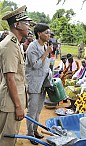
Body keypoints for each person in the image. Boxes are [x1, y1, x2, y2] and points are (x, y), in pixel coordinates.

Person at [0, 5, 32, 146]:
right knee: (7, 140)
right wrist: (18, 106)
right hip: (11, 104)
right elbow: (10, 78)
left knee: (9, 137)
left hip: (13, 101)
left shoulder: (16, 44)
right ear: (17, 24)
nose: (29, 27)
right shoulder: (10, 45)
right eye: (27, 24)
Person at [25, 23, 53, 145]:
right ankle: (30, 133)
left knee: (38, 109)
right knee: (32, 109)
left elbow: (46, 65)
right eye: (46, 32)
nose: (49, 35)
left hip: (43, 83)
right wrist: (46, 52)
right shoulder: (33, 46)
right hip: (34, 82)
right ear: (39, 34)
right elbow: (35, 65)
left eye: (49, 33)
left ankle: (35, 130)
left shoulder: (44, 46)